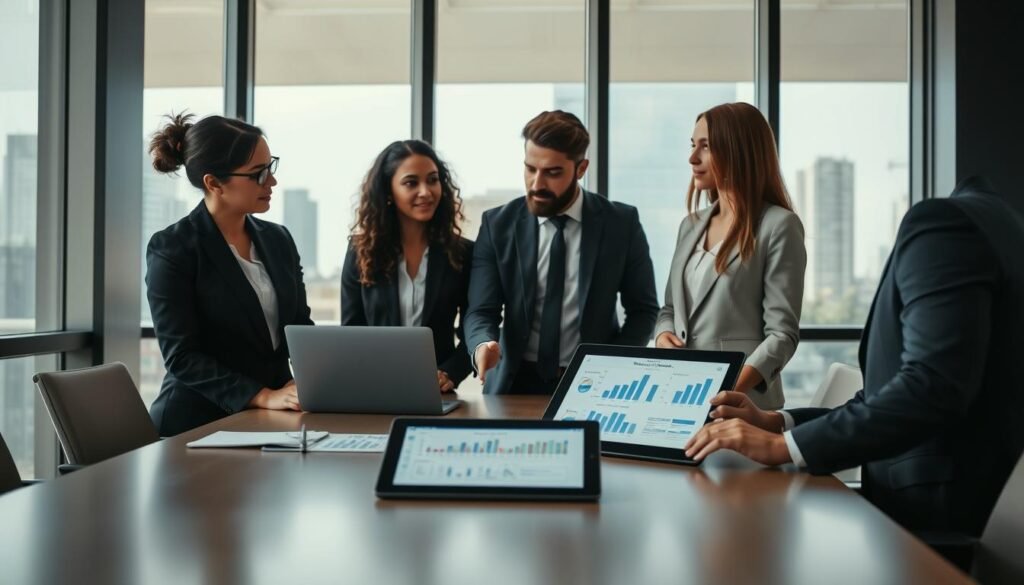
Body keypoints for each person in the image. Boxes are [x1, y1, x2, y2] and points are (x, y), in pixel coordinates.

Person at [684, 176, 1024, 536]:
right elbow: (884, 396)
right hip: (965, 505)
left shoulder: (944, 224)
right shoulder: (1004, 227)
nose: (693, 158)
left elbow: (930, 389)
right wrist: (777, 423)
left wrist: (781, 447)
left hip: (929, 522)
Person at [465, 110, 659, 395]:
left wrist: (613, 367)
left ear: (581, 169)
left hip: (593, 384)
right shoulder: (497, 225)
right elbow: (481, 310)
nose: (537, 184)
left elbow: (643, 310)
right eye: (530, 169)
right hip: (513, 384)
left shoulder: (621, 224)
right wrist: (483, 344)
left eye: (552, 172)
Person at [146, 113, 314, 436]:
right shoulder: (172, 249)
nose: (272, 182)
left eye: (271, 167)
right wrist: (262, 396)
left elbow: (300, 328)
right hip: (196, 425)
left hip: (275, 418)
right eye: (258, 174)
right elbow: (182, 357)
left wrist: (323, 383)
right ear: (214, 183)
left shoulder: (278, 240)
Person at [654, 102, 806, 410]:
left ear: (738, 150)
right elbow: (669, 309)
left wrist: (726, 388)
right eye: (692, 145)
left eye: (706, 147)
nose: (692, 158)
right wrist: (662, 335)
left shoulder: (779, 226)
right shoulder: (690, 225)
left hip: (742, 404)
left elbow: (781, 335)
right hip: (682, 397)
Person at [341, 140, 473, 391]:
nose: (426, 192)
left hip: (437, 392)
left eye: (433, 180)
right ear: (388, 192)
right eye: (411, 183)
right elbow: (351, 331)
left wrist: (451, 373)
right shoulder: (361, 252)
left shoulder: (463, 253)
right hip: (373, 388)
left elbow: (473, 330)